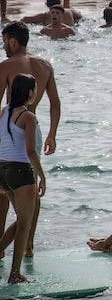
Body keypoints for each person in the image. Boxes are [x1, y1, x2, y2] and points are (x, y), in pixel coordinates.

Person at [0, 22, 59, 260]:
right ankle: (28, 246)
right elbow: (55, 102)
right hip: (33, 127)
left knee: (3, 193)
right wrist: (53, 134)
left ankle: (2, 248)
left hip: (10, 129)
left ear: (13, 41)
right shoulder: (44, 65)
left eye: (5, 41)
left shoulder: (5, 65)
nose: (4, 46)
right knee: (31, 191)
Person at [0, 75, 45, 283]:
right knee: (25, 224)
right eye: (35, 89)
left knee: (20, 221)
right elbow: (30, 151)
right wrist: (42, 176)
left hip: (2, 171)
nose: (36, 92)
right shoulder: (28, 117)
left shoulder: (3, 112)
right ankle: (15, 274)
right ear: (29, 92)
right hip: (21, 172)